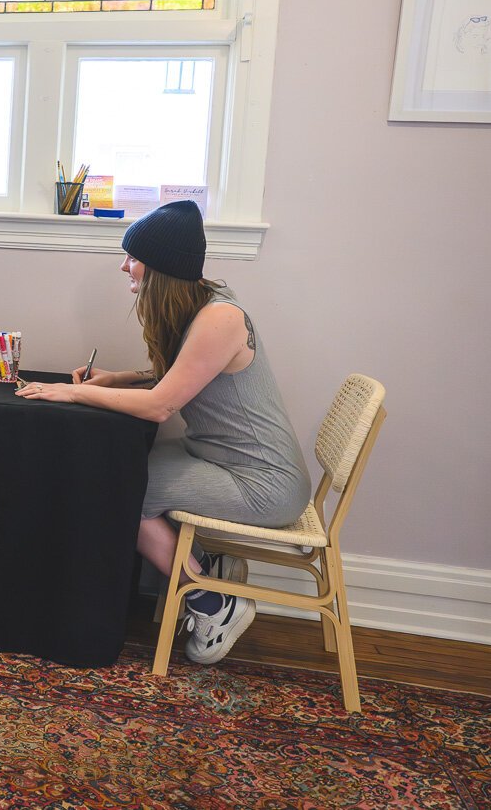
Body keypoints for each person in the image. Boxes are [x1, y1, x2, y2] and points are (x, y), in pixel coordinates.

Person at [16, 200, 309, 664]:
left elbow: (160, 406)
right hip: (217, 458)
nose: (123, 266)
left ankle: (212, 603)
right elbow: (181, 375)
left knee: (120, 489)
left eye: (132, 258)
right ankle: (205, 571)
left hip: (262, 483)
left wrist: (74, 394)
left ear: (158, 268)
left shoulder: (221, 319)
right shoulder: (205, 306)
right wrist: (118, 378)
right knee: (116, 468)